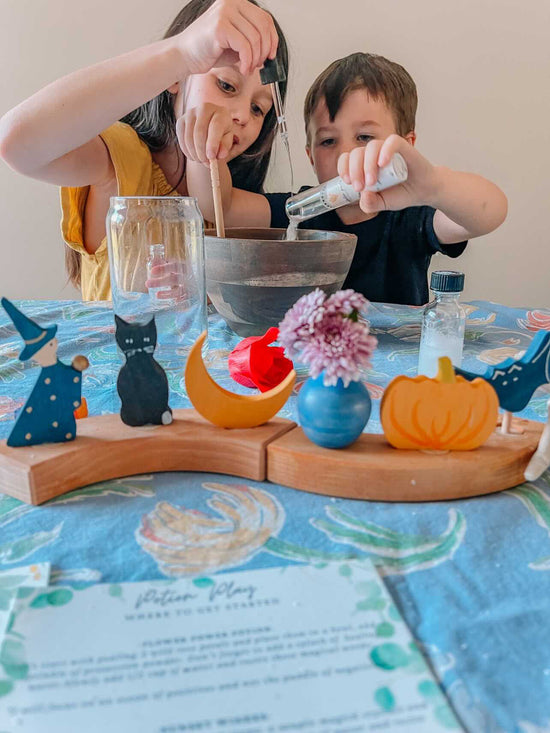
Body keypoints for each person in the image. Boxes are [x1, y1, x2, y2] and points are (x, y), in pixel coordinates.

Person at [0, 0, 288, 301]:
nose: (242, 114)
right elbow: (18, 143)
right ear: (177, 78)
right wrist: (180, 52)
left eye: (258, 108)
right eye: (227, 86)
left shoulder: (229, 204)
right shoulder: (123, 161)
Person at [183, 52, 508, 305]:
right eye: (328, 141)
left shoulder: (411, 216)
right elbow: (219, 207)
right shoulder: (299, 211)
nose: (346, 154)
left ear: (404, 148)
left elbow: (488, 213)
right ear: (310, 155)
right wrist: (204, 147)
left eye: (365, 137)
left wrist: (434, 185)